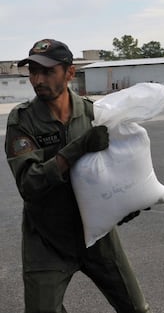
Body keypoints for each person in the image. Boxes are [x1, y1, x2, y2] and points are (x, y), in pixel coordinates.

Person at [5, 39, 150, 313]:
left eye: (47, 71)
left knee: (137, 308)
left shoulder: (93, 113)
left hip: (96, 236)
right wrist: (75, 150)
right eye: (33, 71)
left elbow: (114, 168)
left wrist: (128, 201)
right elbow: (29, 183)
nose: (37, 79)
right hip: (47, 239)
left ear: (70, 73)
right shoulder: (23, 121)